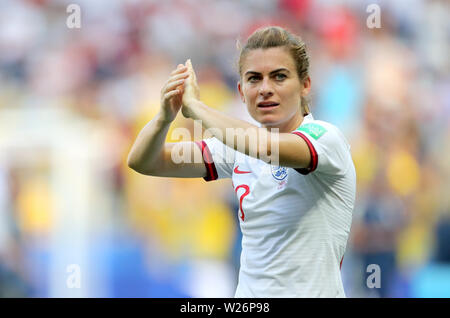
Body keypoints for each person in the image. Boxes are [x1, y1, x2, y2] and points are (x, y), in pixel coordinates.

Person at [128, 26, 356, 297]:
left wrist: (198, 109)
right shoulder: (236, 149)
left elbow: (265, 147)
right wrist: (164, 117)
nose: (265, 89)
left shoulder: (326, 139)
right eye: (254, 79)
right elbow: (145, 161)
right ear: (241, 90)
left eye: (279, 77)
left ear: (305, 85)